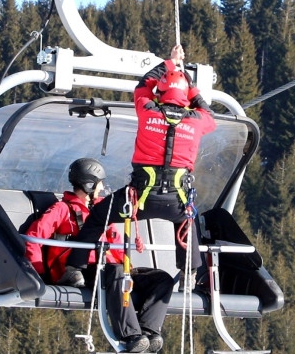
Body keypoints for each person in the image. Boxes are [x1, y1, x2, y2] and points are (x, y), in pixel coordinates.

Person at [60, 44, 217, 292]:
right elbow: (208, 113)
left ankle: (74, 269)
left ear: (161, 92)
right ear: (185, 98)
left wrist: (169, 62)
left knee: (99, 216)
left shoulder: (148, 109)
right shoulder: (196, 121)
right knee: (189, 222)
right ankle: (189, 274)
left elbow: (143, 85)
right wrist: (190, 85)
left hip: (138, 199)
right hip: (176, 201)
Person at [24, 158, 171, 352]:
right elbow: (35, 236)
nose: (102, 188)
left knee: (161, 279)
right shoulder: (62, 210)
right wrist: (39, 274)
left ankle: (149, 331)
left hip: (112, 269)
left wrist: (129, 269)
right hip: (82, 271)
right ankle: (130, 335)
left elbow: (116, 243)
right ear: (89, 184)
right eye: (100, 183)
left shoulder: (102, 212)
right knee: (117, 272)